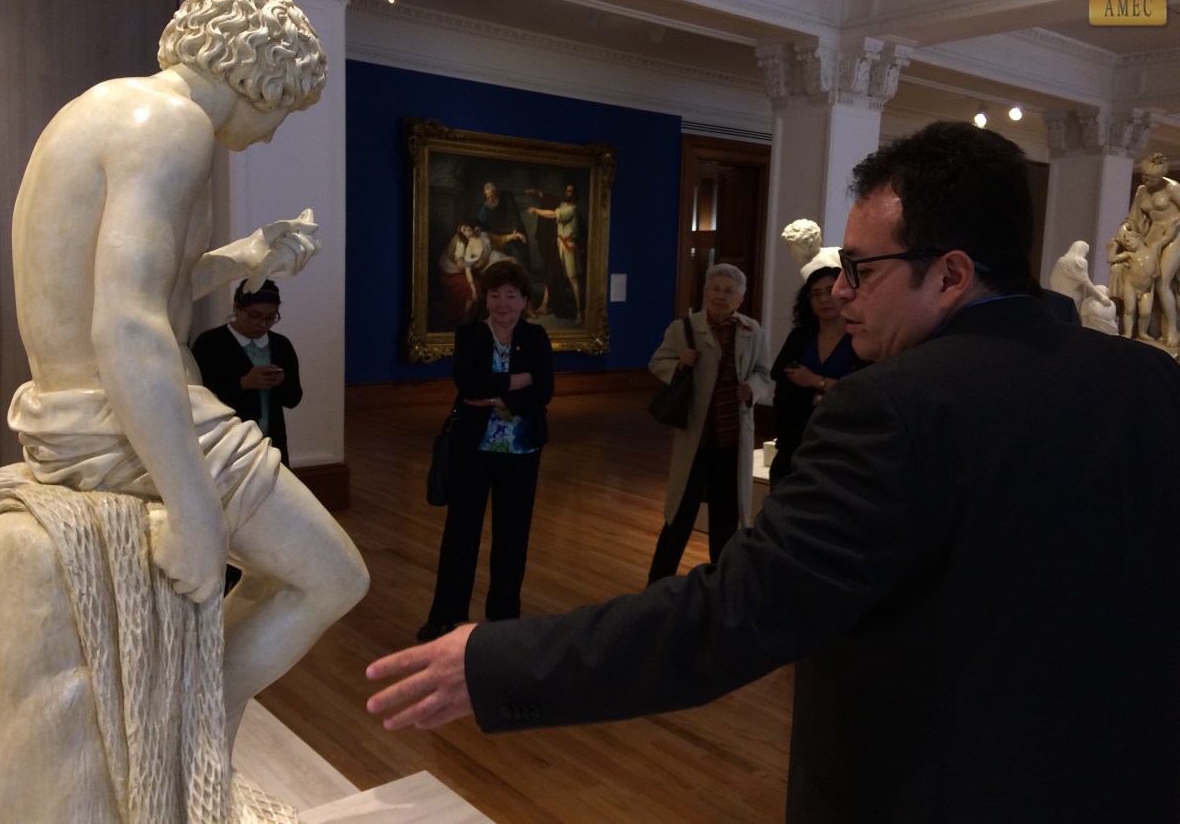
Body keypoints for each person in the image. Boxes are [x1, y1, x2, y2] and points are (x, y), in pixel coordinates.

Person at [365, 121, 1180, 822]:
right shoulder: (1151, 383)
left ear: (952, 274)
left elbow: (735, 611)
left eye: (861, 269)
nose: (841, 292)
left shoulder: (892, 405)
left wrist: (497, 662)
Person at [8, 0, 368, 748]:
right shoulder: (175, 126)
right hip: (116, 418)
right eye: (282, 109)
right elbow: (130, 320)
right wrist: (193, 505)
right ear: (259, 74)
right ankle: (184, 741)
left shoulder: (107, 109)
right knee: (334, 575)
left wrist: (246, 255)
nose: (271, 134)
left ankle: (189, 744)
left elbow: (134, 282)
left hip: (66, 406)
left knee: (307, 572)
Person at [417, 260, 554, 643]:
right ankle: (445, 616)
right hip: (473, 448)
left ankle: (504, 617)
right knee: (460, 533)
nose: (502, 303)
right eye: (495, 295)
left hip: (521, 450)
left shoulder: (536, 337)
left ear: (524, 300)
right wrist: (516, 381)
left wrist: (494, 395)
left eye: (511, 296)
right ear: (486, 298)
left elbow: (543, 390)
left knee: (513, 535)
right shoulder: (470, 334)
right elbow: (468, 384)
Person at [645, 263, 770, 584]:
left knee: (725, 520)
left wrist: (752, 389)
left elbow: (763, 373)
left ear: (740, 299)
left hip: (731, 440)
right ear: (704, 293)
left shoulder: (752, 331)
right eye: (715, 289)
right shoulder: (683, 328)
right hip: (695, 439)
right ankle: (657, 586)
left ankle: (722, 585)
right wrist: (679, 364)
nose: (720, 296)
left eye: (729, 291)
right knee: (679, 516)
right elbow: (657, 362)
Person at [191, 279, 303, 467]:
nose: (262, 324)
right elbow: (198, 398)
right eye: (254, 316)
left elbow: (293, 399)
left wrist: (282, 381)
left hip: (271, 441)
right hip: (226, 443)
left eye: (270, 318)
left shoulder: (281, 345)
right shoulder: (210, 343)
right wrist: (243, 383)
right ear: (236, 308)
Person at [768, 260, 860, 487]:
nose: (823, 299)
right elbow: (782, 381)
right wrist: (828, 391)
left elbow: (862, 392)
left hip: (842, 448)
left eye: (830, 291)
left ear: (845, 293)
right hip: (793, 444)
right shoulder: (800, 337)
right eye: (816, 294)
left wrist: (815, 381)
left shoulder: (860, 338)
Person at [1127, 153, 1180, 344]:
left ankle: (1172, 330)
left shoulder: (1172, 188)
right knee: (1147, 280)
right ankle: (1149, 330)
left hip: (1175, 235)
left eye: (1151, 178)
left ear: (1160, 176)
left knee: (1162, 282)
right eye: (1144, 177)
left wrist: (1173, 228)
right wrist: (1125, 229)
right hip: (1152, 236)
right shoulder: (1142, 190)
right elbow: (1133, 217)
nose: (1146, 181)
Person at [527, 183, 584, 323]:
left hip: (568, 246)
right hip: (559, 244)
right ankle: (544, 305)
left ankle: (579, 312)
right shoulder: (564, 205)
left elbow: (553, 213)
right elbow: (552, 200)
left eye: (570, 191)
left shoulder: (571, 209)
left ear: (575, 194)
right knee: (552, 273)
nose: (567, 193)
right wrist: (538, 192)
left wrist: (537, 211)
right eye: (567, 190)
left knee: (572, 278)